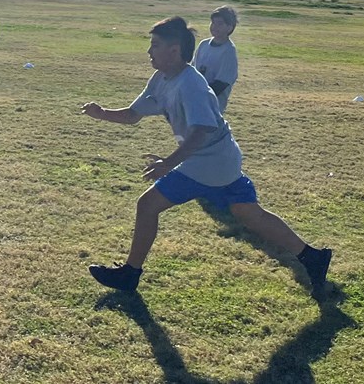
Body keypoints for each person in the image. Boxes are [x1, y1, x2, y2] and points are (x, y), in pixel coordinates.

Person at [82, 16, 332, 299]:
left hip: (208, 162)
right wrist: (102, 113)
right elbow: (132, 115)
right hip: (223, 160)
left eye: (154, 45)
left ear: (174, 51)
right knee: (249, 214)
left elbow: (202, 130)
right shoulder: (161, 78)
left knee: (148, 204)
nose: (149, 51)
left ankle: (130, 274)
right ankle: (312, 257)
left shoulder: (191, 84)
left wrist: (168, 163)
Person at [193, 5, 238, 113]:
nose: (214, 26)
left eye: (220, 24)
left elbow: (221, 83)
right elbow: (192, 70)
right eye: (213, 22)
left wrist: (201, 95)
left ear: (229, 27)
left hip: (212, 106)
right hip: (194, 101)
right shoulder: (203, 44)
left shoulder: (228, 51)